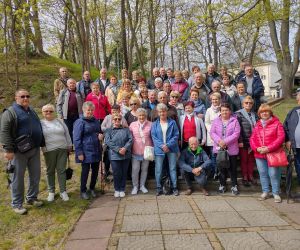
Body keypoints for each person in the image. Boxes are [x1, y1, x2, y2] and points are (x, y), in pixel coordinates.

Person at [0, 89, 44, 214]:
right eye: (22, 96)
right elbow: (4, 132)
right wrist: (8, 149)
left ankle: (31, 198)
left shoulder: (31, 111)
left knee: (35, 175)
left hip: (34, 149)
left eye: (27, 96)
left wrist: (42, 142)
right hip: (18, 151)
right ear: (16, 98)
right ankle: (17, 204)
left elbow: (38, 127)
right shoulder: (10, 112)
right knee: (17, 178)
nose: (25, 98)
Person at [250, 104, 285, 203]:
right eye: (262, 112)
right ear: (259, 114)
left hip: (273, 153)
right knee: (263, 173)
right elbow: (252, 138)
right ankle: (265, 191)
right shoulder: (257, 124)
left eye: (266, 111)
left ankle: (276, 193)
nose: (264, 113)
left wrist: (268, 148)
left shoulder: (277, 123)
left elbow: (280, 138)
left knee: (274, 174)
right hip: (259, 154)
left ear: (270, 112)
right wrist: (256, 148)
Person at [41, 104, 72, 202]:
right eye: (46, 111)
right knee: (50, 171)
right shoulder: (40, 123)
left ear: (54, 112)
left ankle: (63, 191)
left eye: (50, 111)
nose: (48, 113)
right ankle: (51, 192)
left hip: (62, 148)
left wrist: (69, 145)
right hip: (49, 150)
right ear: (42, 113)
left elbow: (66, 133)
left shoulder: (60, 121)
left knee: (61, 170)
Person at [73, 102, 102, 200]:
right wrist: (79, 152)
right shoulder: (79, 122)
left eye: (91, 110)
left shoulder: (96, 121)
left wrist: (101, 135)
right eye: (88, 110)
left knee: (95, 171)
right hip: (85, 151)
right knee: (85, 171)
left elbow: (99, 132)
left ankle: (92, 188)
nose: (90, 112)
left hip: (96, 149)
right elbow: (76, 139)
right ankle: (83, 190)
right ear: (84, 110)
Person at [210, 103, 241, 195]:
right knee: (221, 168)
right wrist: (220, 141)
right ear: (220, 111)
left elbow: (236, 134)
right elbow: (212, 133)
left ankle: (234, 186)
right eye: (223, 110)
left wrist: (225, 141)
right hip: (219, 149)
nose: (224, 112)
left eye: (226, 110)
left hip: (231, 149)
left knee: (232, 169)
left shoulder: (234, 121)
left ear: (230, 111)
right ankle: (222, 185)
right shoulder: (216, 121)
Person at [151, 103, 180, 196]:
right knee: (158, 169)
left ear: (166, 112)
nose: (162, 113)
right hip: (159, 150)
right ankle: (159, 188)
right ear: (158, 113)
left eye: (163, 111)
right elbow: (154, 137)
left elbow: (176, 135)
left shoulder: (172, 122)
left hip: (171, 149)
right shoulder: (155, 124)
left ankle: (174, 187)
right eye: (160, 111)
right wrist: (162, 146)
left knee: (172, 168)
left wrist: (167, 145)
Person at [105, 113, 133, 198]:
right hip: (114, 155)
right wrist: (118, 149)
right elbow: (108, 142)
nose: (117, 120)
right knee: (117, 173)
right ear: (112, 120)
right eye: (115, 119)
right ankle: (117, 189)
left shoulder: (126, 129)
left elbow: (130, 139)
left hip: (125, 154)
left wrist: (125, 148)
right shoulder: (108, 130)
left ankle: (122, 189)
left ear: (121, 120)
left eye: (119, 119)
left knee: (124, 173)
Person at [129, 108, 153, 195]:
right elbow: (129, 137)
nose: (141, 117)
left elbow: (153, 137)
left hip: (147, 152)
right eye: (140, 115)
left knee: (144, 169)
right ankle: (135, 186)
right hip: (135, 151)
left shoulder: (151, 124)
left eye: (143, 115)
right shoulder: (132, 125)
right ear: (137, 116)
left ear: (146, 116)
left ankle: (142, 185)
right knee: (135, 170)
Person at [236, 96, 258, 186]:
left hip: (253, 141)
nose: (248, 104)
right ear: (243, 104)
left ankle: (251, 176)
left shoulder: (255, 115)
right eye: (246, 103)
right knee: (244, 160)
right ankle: (245, 176)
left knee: (251, 160)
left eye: (250, 103)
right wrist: (240, 140)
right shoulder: (238, 114)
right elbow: (237, 129)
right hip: (243, 141)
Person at [56, 78, 83, 142]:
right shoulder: (63, 92)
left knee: (77, 130)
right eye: (70, 83)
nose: (72, 84)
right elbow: (59, 104)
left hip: (77, 115)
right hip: (67, 116)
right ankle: (70, 145)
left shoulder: (79, 92)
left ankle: (76, 144)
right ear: (67, 84)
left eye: (73, 83)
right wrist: (60, 114)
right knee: (68, 131)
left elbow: (83, 103)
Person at [284, 88, 300, 185]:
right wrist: (287, 140)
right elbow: (285, 126)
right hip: (296, 145)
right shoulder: (293, 112)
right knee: (298, 164)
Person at [205, 92, 221, 178]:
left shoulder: (222, 109)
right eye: (213, 99)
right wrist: (211, 131)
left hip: (221, 137)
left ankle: (220, 171)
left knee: (221, 155)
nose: (214, 101)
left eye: (216, 99)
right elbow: (207, 122)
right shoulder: (208, 110)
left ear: (219, 100)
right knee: (213, 155)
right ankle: (215, 171)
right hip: (211, 136)